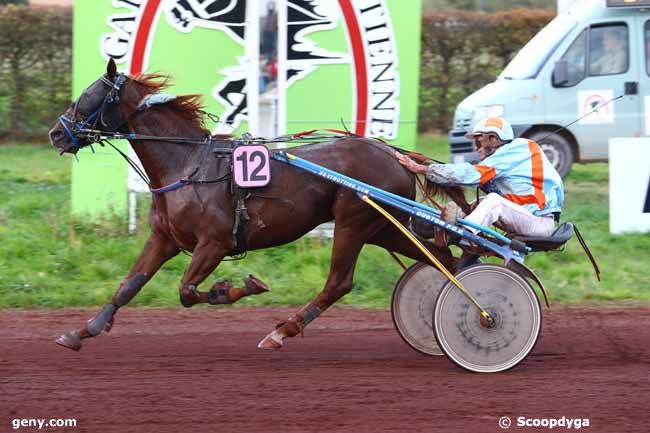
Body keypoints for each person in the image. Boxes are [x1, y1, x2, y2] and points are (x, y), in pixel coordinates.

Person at [394, 117, 564, 240]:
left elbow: (471, 174)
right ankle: (430, 228)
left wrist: (421, 168)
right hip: (528, 217)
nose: (477, 150)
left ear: (493, 138)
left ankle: (462, 236)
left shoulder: (515, 150)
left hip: (540, 224)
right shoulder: (507, 157)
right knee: (480, 204)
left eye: (478, 143)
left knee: (493, 202)